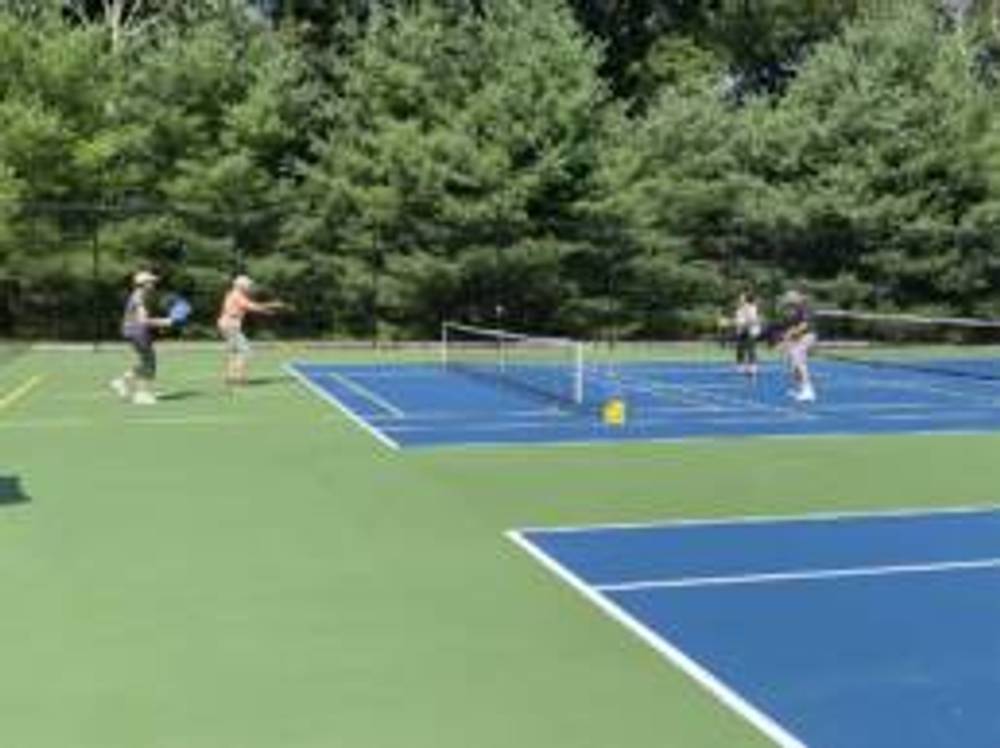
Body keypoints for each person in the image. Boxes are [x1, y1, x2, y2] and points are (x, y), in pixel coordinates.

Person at [111, 270, 173, 405]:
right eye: (151, 282)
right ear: (143, 284)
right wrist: (164, 321)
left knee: (146, 361)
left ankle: (121, 381)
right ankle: (141, 394)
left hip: (134, 331)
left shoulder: (141, 295)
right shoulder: (140, 297)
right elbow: (143, 320)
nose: (154, 283)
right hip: (137, 332)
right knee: (149, 362)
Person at [217, 274, 285, 386]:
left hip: (226, 323)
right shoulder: (237, 295)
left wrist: (266, 312)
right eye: (247, 285)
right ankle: (239, 379)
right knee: (245, 351)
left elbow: (248, 308)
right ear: (241, 285)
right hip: (230, 324)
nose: (249, 287)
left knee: (234, 351)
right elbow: (253, 306)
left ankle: (229, 378)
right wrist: (273, 305)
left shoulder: (233, 294)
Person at [780, 289, 817, 402]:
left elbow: (804, 325)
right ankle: (802, 389)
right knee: (794, 365)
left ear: (795, 297)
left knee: (799, 361)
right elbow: (790, 327)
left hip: (807, 335)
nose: (787, 300)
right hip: (797, 338)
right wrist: (786, 342)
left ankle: (809, 391)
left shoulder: (804, 307)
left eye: (789, 298)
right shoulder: (790, 310)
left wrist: (792, 333)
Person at [733, 291, 762, 378]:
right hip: (742, 330)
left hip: (751, 330)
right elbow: (738, 321)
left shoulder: (752, 308)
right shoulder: (739, 310)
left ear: (746, 299)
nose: (740, 299)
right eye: (740, 298)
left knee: (751, 348)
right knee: (740, 348)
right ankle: (740, 366)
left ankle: (752, 368)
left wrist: (745, 324)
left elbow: (753, 320)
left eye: (742, 297)